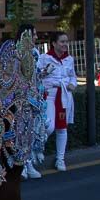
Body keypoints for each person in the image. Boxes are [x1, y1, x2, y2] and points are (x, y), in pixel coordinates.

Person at [36, 31, 76, 172]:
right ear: (54, 43)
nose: (65, 44)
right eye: (62, 42)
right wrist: (45, 73)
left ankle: (60, 159)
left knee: (62, 127)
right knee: (49, 126)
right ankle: (37, 148)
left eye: (66, 41)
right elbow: (36, 75)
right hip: (49, 95)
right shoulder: (44, 58)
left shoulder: (69, 59)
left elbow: (72, 77)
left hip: (64, 96)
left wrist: (72, 84)